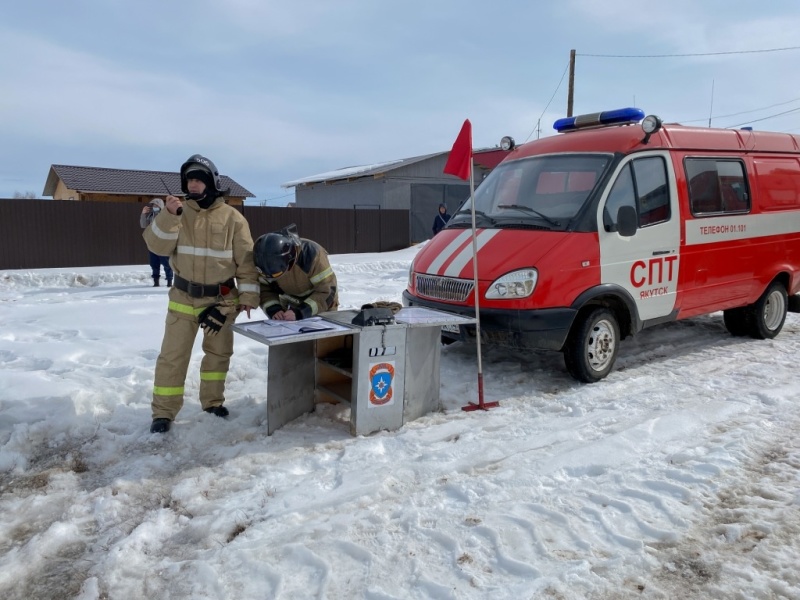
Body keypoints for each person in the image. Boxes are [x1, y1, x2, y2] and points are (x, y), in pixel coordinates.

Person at [143, 154, 260, 434]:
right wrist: (169, 216)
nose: (193, 184)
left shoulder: (233, 218)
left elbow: (246, 261)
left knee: (218, 356)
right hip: (182, 299)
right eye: (189, 180)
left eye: (199, 179)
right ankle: (163, 413)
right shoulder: (176, 214)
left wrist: (248, 297)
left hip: (220, 301)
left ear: (211, 183)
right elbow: (157, 247)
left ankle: (212, 402)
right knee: (172, 357)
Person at [254, 224, 338, 320]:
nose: (273, 278)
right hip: (289, 305)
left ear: (290, 260)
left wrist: (301, 312)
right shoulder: (262, 260)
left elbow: (327, 291)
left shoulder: (311, 255)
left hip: (321, 304)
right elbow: (264, 289)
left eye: (277, 275)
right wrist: (274, 309)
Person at [140, 198, 174, 287]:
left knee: (167, 264)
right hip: (152, 244)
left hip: (164, 244)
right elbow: (143, 225)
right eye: (153, 205)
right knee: (154, 264)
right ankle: (156, 282)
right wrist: (143, 214)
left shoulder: (166, 216)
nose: (155, 207)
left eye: (156, 205)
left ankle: (169, 281)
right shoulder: (150, 216)